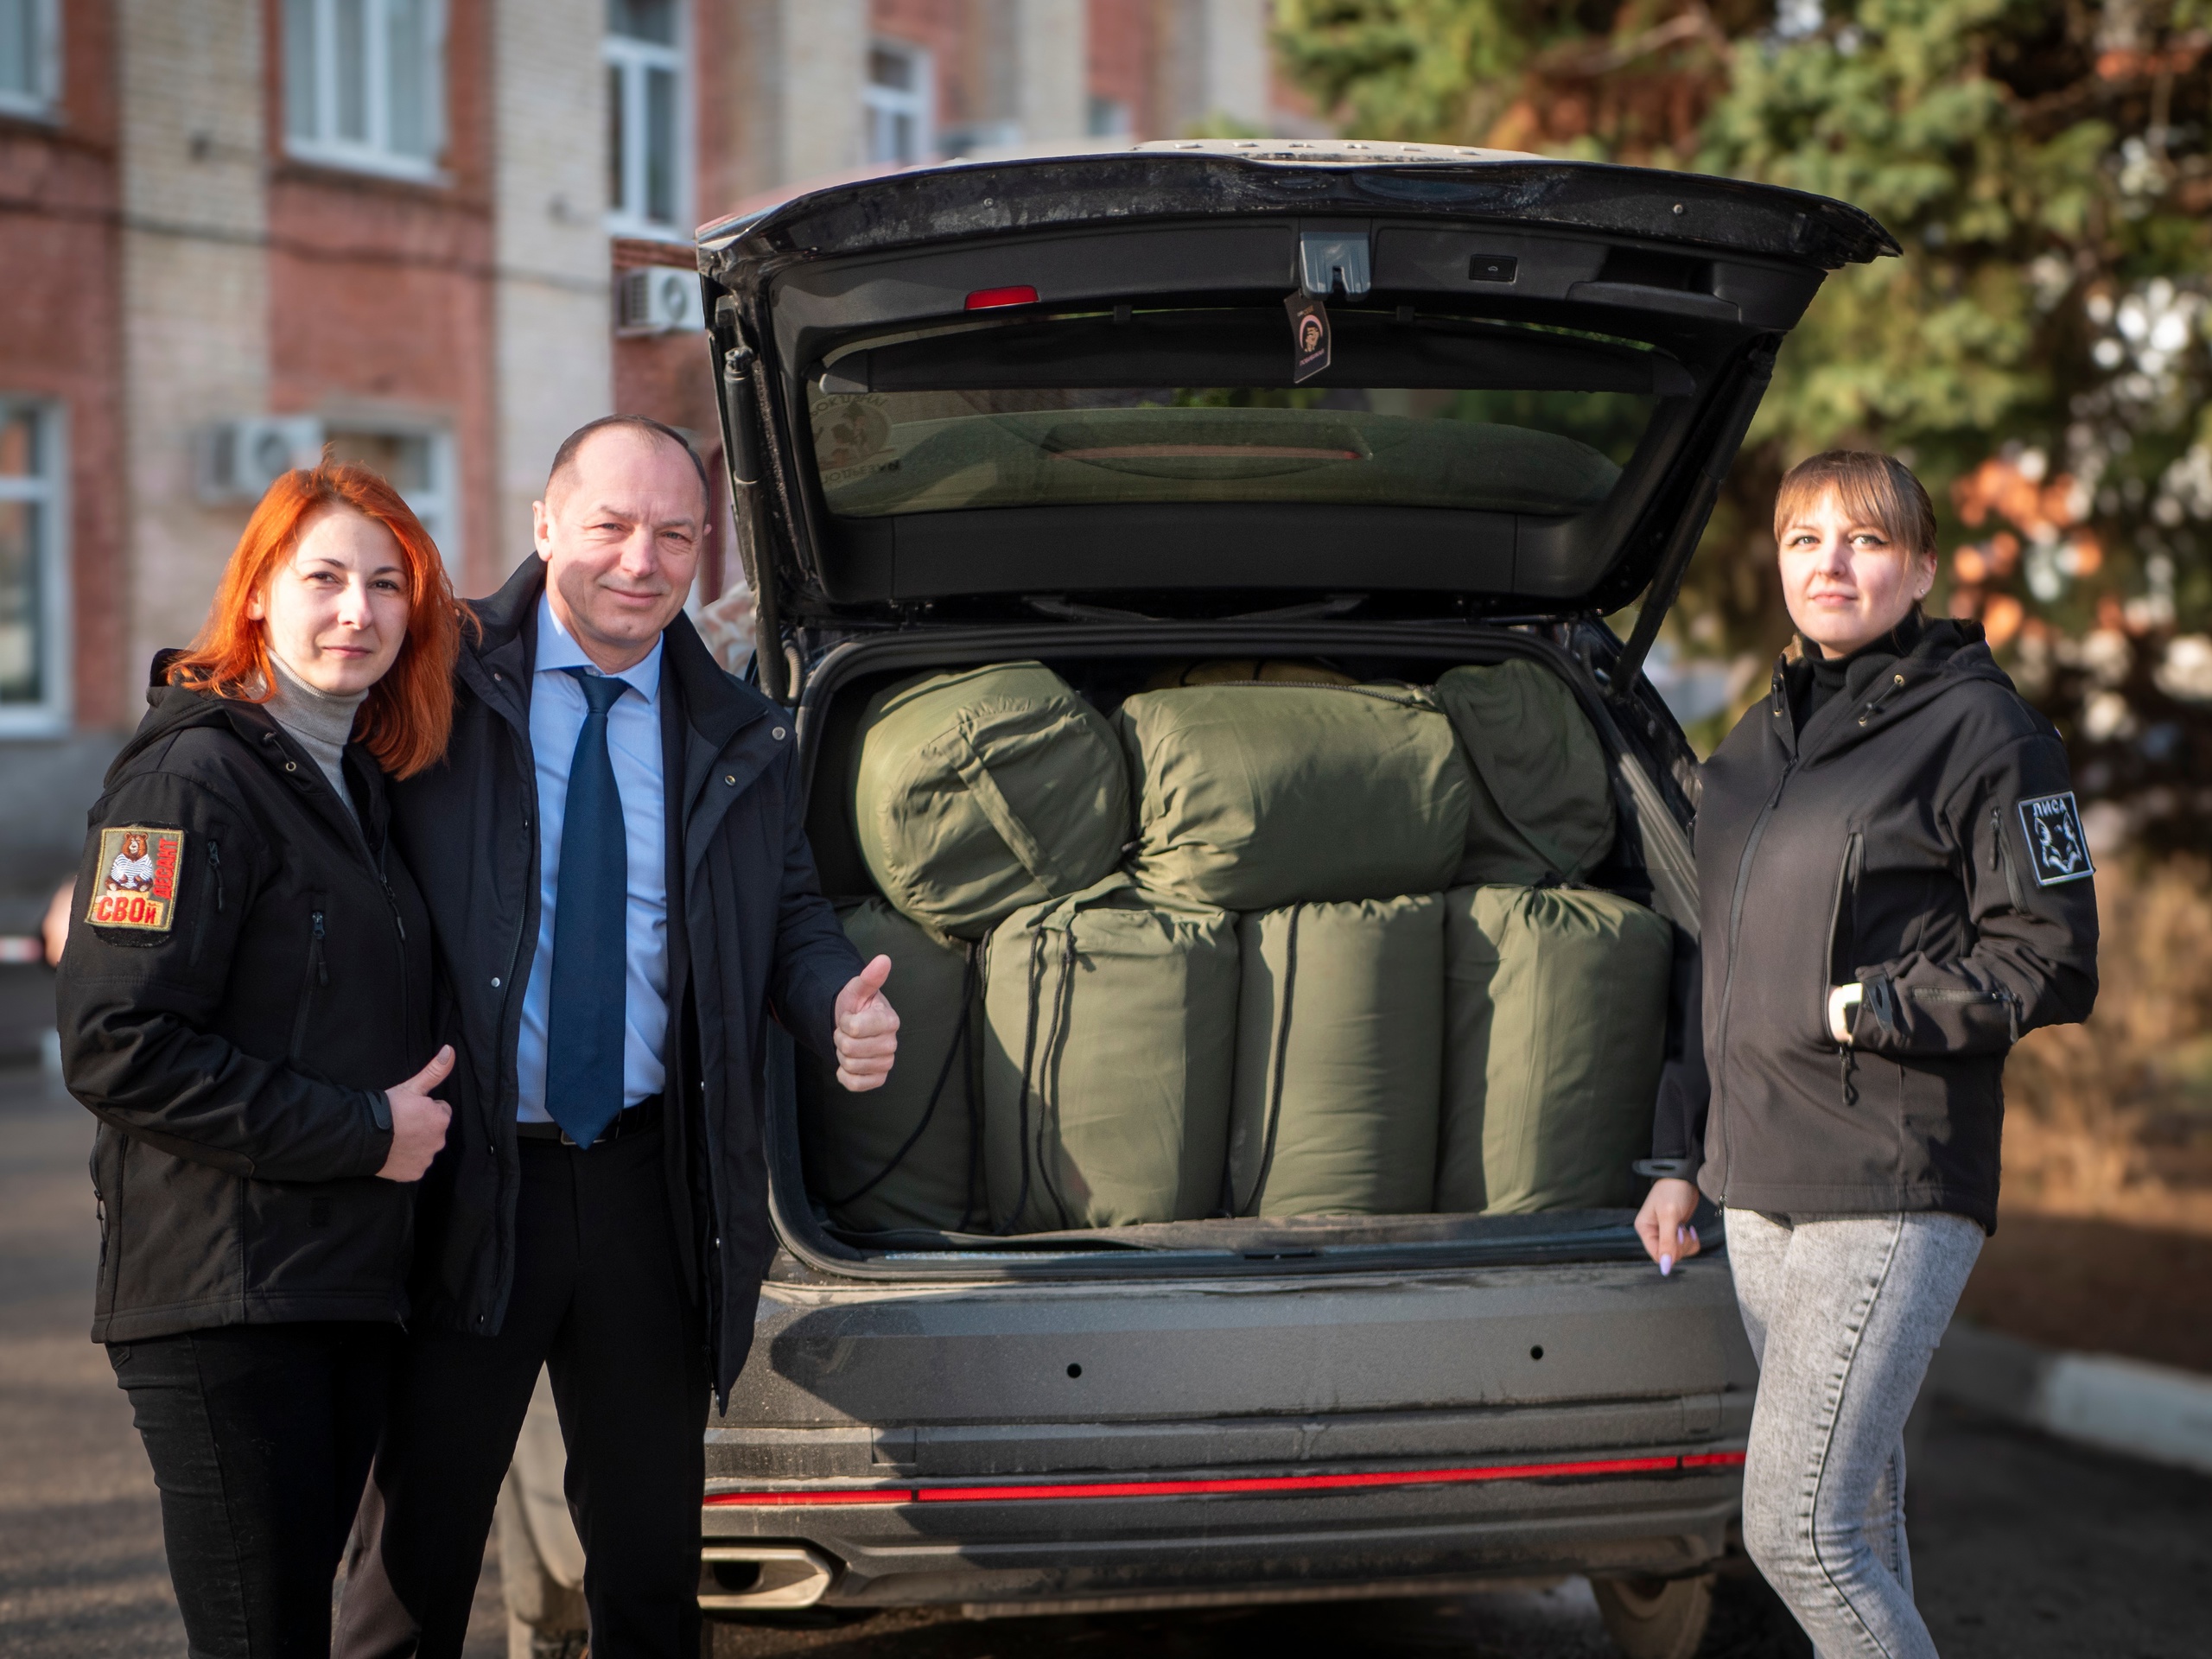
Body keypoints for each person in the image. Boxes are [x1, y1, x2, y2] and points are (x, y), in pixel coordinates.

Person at [335, 415, 900, 1657]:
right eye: (611, 526)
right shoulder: (435, 679)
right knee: (409, 1568)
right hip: (464, 1182)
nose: (642, 561)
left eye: (676, 536)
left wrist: (831, 1006)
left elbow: (790, 912)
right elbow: (300, 794)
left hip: (651, 1183)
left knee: (649, 1566)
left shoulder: (739, 733)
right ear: (545, 528)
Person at [1636, 451, 2099, 1656]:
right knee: (1864, 1519)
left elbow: (2052, 953)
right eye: (1805, 540)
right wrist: (1679, 1156)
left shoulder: (1985, 732)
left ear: (1922, 568)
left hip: (1887, 1177)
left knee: (1800, 1533)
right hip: (1757, 1190)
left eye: (1866, 540)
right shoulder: (1748, 755)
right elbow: (1711, 965)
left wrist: (1880, 1005)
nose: (1832, 563)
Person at [55, 461, 461, 1654]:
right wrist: (366, 1132)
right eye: (325, 577)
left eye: (389, 585)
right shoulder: (190, 777)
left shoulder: (359, 783)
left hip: (334, 1289)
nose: (357, 611)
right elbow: (116, 1044)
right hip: (223, 1306)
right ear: (256, 597)